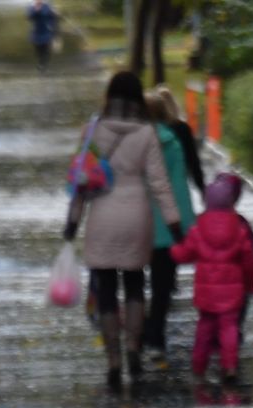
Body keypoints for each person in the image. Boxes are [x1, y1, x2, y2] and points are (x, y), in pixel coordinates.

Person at [63, 71, 182, 391]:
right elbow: (160, 183)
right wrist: (174, 225)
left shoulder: (93, 130)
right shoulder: (146, 134)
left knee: (104, 289)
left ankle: (113, 360)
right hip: (136, 215)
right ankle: (134, 349)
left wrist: (73, 221)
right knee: (133, 285)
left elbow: (82, 180)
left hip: (102, 214)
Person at [169, 172, 253, 386]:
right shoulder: (238, 229)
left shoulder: (198, 228)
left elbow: (184, 253)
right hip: (232, 291)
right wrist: (251, 283)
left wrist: (174, 250)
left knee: (204, 328)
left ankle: (199, 366)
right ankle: (229, 366)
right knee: (229, 328)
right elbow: (249, 259)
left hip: (206, 293)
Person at [141, 88, 200, 357]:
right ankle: (155, 330)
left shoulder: (134, 144)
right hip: (170, 221)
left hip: (140, 220)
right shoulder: (173, 142)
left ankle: (143, 329)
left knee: (137, 280)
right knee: (163, 281)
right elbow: (178, 183)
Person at [26, 0, 59, 72]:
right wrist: (36, 10)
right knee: (38, 50)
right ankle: (41, 64)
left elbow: (52, 18)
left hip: (46, 31)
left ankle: (43, 65)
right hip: (36, 32)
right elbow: (29, 17)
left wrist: (55, 14)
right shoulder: (31, 6)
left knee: (46, 49)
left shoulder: (47, 6)